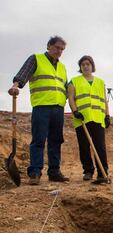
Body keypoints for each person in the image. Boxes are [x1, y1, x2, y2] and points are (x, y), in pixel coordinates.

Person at [7, 36, 69, 185]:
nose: (59, 51)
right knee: (39, 139)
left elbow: (65, 87)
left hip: (59, 108)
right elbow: (23, 74)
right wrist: (16, 85)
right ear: (49, 46)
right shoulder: (36, 59)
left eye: (62, 49)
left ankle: (54, 172)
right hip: (41, 107)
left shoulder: (62, 67)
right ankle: (35, 172)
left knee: (56, 140)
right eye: (57, 48)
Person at [67, 55, 110, 183]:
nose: (86, 66)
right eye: (83, 64)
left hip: (98, 118)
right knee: (84, 146)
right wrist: (75, 112)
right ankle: (88, 171)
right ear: (80, 67)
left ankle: (103, 172)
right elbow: (71, 98)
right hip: (82, 119)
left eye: (88, 64)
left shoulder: (101, 82)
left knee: (100, 146)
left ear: (92, 66)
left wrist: (107, 115)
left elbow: (104, 101)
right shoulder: (74, 81)